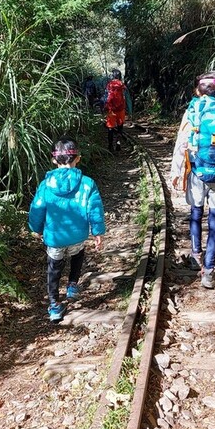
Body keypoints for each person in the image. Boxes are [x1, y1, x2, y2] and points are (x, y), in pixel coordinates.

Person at [169, 72, 215, 289]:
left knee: (195, 213)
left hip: (197, 172)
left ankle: (195, 256)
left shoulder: (193, 110)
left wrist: (176, 172)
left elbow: (182, 144)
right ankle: (209, 272)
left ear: (197, 90)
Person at [28, 137, 106, 321]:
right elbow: (95, 209)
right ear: (77, 158)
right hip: (77, 235)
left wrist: (36, 228)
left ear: (54, 160)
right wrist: (97, 232)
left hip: (55, 238)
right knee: (77, 255)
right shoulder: (87, 183)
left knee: (54, 269)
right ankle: (72, 285)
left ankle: (54, 306)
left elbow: (37, 209)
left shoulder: (46, 185)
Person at [103, 68, 133, 152]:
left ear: (113, 76)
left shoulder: (109, 85)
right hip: (121, 110)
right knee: (120, 128)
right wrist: (130, 112)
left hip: (111, 111)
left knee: (110, 128)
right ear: (120, 76)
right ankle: (118, 144)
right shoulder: (123, 86)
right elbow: (128, 99)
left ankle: (110, 146)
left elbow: (105, 98)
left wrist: (104, 108)